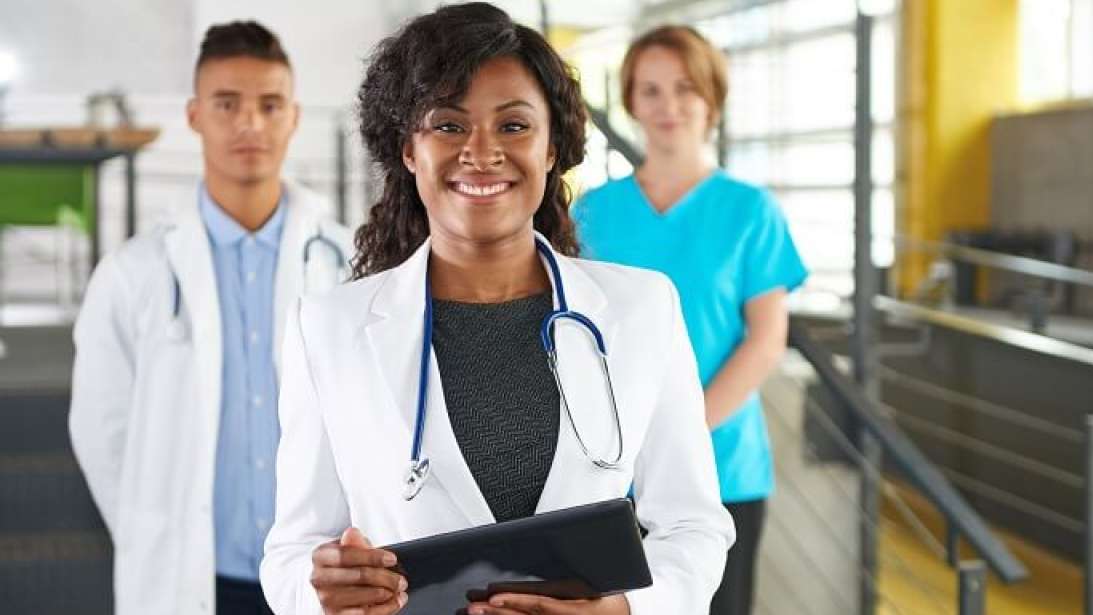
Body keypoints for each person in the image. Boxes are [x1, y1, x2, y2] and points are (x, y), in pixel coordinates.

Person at [259, 4, 734, 615]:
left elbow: (694, 526)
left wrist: (622, 611)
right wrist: (318, 590)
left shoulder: (642, 309)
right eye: (449, 126)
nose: (481, 153)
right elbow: (292, 552)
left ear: (552, 147)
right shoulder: (327, 328)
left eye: (513, 126)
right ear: (408, 149)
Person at [69, 21, 353, 615]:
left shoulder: (348, 263)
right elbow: (101, 430)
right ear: (196, 115)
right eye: (228, 104)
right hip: (190, 579)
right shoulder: (133, 272)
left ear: (294, 117)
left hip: (317, 578)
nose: (250, 123)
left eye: (269, 105)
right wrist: (156, 533)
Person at [572, 25, 808, 615]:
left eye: (684, 88)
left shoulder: (750, 210)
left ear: (712, 98)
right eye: (650, 90)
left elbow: (766, 337)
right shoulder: (592, 213)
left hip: (723, 469)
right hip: (609, 477)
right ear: (630, 101)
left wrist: (682, 435)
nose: (668, 106)